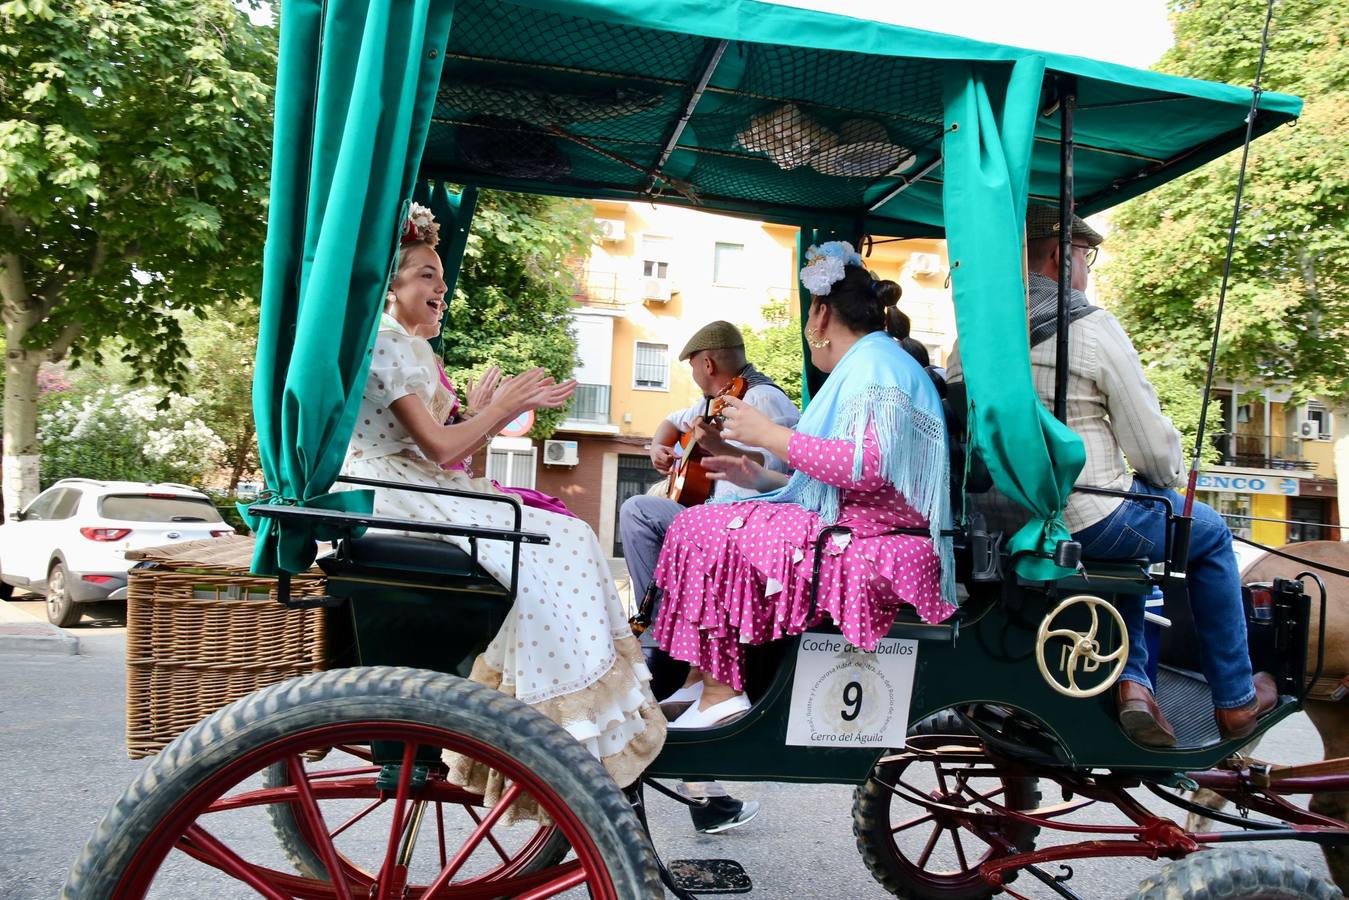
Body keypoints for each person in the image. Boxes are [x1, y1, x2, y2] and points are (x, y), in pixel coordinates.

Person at [342, 203, 665, 813]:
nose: (440, 289)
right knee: (562, 542)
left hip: (408, 483)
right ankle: (558, 715)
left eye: (440, 278)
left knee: (565, 534)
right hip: (397, 492)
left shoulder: (403, 347)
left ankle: (568, 706)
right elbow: (440, 451)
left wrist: (483, 417)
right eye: (425, 278)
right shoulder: (389, 346)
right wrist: (495, 411)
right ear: (391, 287)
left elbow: (444, 448)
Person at [946, 205, 1277, 747]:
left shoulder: (973, 339)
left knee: (1138, 530)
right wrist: (1166, 475)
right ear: (1059, 255)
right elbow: (1151, 449)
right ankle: (1236, 702)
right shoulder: (1091, 328)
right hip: (1082, 517)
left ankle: (1135, 683)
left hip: (999, 522)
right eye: (1085, 258)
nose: (1087, 271)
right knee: (1208, 534)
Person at [649, 241, 956, 728]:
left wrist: (771, 435)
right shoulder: (872, 361)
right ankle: (700, 682)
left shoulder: (876, 367)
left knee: (704, 528)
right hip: (856, 522)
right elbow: (835, 478)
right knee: (700, 524)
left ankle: (720, 692)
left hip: (874, 536)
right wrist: (756, 473)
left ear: (820, 312)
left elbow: (865, 467)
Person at [619, 320, 798, 833]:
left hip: (745, 527)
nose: (694, 382)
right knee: (643, 509)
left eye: (693, 371)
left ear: (707, 364)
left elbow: (783, 471)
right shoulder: (712, 401)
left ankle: (663, 630)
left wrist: (721, 449)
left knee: (639, 511)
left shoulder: (765, 401)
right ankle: (662, 626)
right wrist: (662, 446)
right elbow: (671, 423)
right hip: (710, 523)